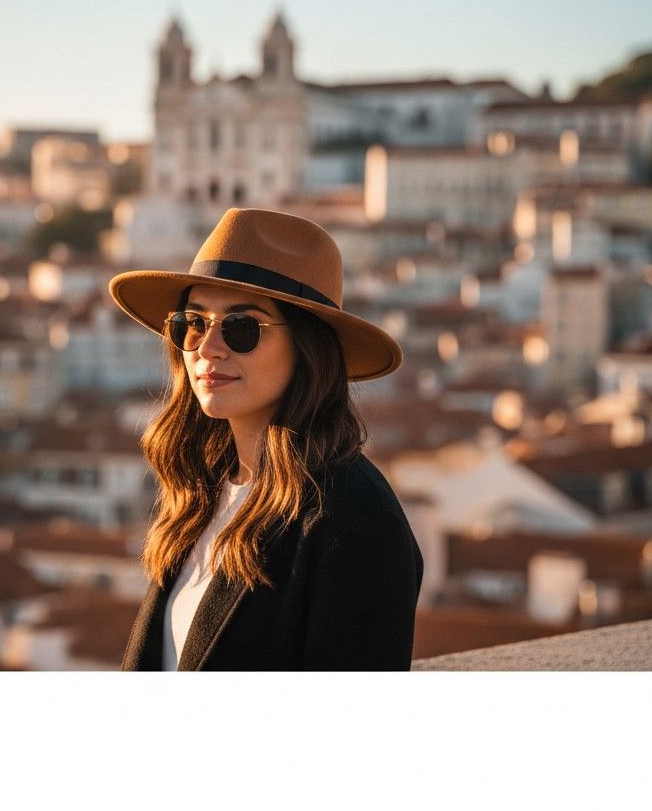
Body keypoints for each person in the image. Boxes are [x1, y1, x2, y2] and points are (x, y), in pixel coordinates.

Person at [108, 207, 423, 670]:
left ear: (307, 347)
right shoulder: (203, 488)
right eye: (193, 322)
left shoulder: (356, 519)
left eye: (242, 328)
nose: (208, 347)